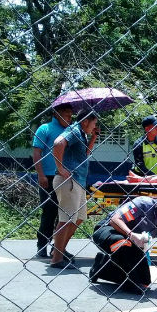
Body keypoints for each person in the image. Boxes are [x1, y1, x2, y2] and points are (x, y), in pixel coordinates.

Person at [90, 195, 157, 294]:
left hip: (132, 244)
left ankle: (101, 268)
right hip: (108, 231)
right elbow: (115, 220)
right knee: (122, 243)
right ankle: (128, 281)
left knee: (144, 282)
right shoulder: (143, 204)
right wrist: (131, 234)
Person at [50, 112, 99, 268]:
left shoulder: (82, 134)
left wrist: (93, 138)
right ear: (85, 121)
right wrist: (60, 168)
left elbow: (84, 154)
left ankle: (60, 249)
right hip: (69, 180)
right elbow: (58, 143)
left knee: (79, 218)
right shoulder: (74, 130)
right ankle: (56, 259)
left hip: (78, 181)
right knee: (66, 219)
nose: (94, 126)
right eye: (93, 123)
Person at [32, 104, 73, 257]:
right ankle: (42, 245)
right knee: (49, 212)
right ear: (57, 113)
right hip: (48, 176)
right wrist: (41, 175)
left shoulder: (71, 131)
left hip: (66, 177)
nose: (70, 117)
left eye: (71, 114)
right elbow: (36, 152)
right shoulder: (45, 129)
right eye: (66, 114)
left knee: (64, 214)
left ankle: (58, 247)